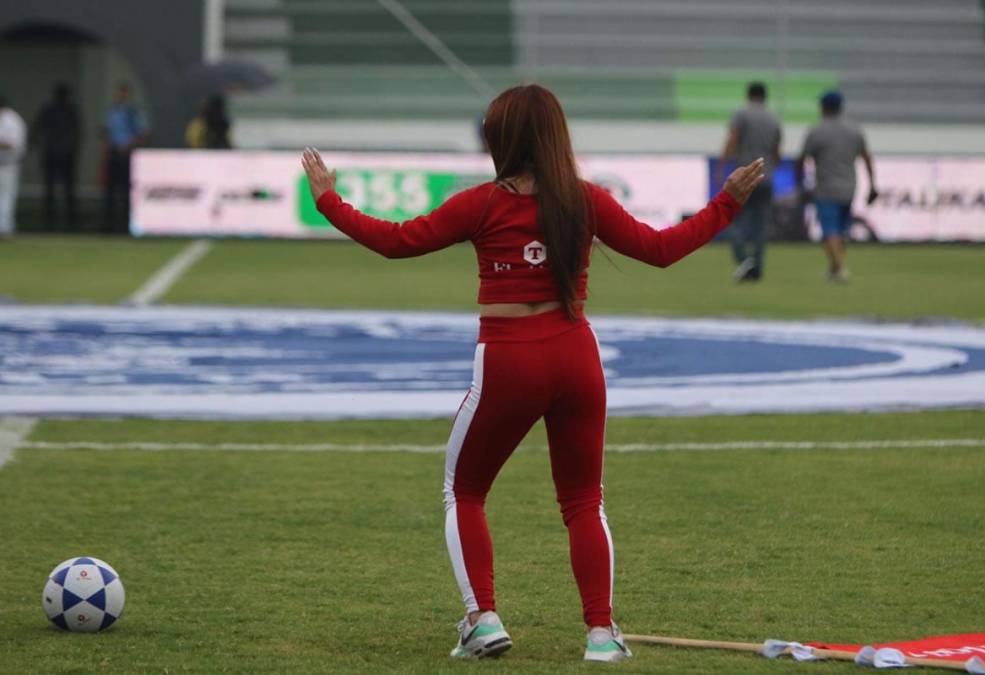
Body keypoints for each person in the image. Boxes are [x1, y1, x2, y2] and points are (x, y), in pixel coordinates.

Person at [301, 85, 763, 663]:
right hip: (577, 356)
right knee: (582, 501)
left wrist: (328, 201)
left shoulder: (481, 204)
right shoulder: (584, 200)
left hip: (509, 359)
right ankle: (601, 633)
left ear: (503, 141)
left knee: (464, 489)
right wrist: (727, 203)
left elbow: (397, 243)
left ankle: (483, 619)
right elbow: (661, 249)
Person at [796, 91, 877, 282]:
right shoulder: (854, 130)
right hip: (850, 188)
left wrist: (801, 185)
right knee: (840, 230)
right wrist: (873, 185)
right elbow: (867, 158)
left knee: (829, 230)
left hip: (826, 188)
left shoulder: (817, 131)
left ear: (823, 107)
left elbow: (801, 160)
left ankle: (840, 268)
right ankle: (834, 268)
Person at [718, 81, 782, 282]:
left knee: (733, 220)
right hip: (766, 176)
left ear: (748, 95)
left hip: (745, 177)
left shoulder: (742, 114)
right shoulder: (773, 118)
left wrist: (721, 166)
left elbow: (733, 139)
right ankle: (757, 268)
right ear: (765, 96)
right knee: (760, 226)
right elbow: (776, 150)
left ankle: (744, 260)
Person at [31, 83, 81, 229]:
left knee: (67, 189)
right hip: (54, 153)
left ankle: (68, 220)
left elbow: (77, 132)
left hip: (63, 153)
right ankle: (51, 220)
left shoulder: (70, 110)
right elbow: (37, 128)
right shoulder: (49, 109)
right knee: (53, 189)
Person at [103, 81, 149, 231]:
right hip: (114, 152)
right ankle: (109, 221)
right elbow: (108, 131)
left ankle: (126, 221)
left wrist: (129, 145)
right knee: (110, 188)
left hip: (127, 153)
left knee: (127, 189)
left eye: (123, 93)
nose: (120, 96)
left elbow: (143, 132)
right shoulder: (112, 111)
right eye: (119, 93)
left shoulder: (133, 112)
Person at [0, 94, 27, 238]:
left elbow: (12, 144)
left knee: (6, 196)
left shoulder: (12, 120)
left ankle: (5, 229)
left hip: (8, 164)